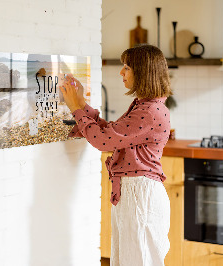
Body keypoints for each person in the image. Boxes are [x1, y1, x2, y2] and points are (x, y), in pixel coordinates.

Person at [60, 44, 172, 266]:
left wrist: (76, 108)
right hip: (135, 193)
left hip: (140, 195)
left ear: (143, 72)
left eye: (127, 67)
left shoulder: (149, 111)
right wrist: (82, 104)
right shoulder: (145, 106)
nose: (121, 72)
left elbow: (103, 141)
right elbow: (111, 133)